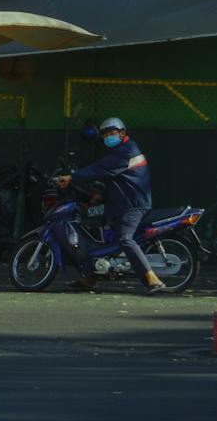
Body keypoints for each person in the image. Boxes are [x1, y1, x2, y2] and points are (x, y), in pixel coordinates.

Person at [57, 116, 161, 295]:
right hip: (122, 204)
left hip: (133, 206)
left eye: (112, 133)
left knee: (124, 239)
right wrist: (100, 195)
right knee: (107, 242)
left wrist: (72, 177)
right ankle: (91, 278)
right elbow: (118, 179)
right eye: (105, 135)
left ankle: (153, 279)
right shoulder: (121, 152)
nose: (108, 137)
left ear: (122, 133)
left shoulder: (127, 150)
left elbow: (99, 169)